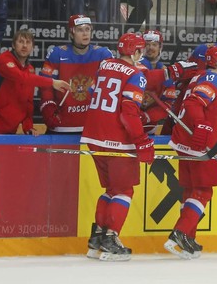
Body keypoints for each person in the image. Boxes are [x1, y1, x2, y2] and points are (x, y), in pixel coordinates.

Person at [81, 32, 153, 262]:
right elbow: (129, 112)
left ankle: (97, 237)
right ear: (137, 52)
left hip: (93, 137)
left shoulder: (104, 66)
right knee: (124, 191)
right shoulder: (136, 74)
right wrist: (141, 141)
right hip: (118, 139)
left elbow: (93, 93)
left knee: (111, 190)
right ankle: (111, 239)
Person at [164, 45, 217, 259]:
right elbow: (195, 103)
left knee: (190, 190)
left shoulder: (199, 76)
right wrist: (203, 125)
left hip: (183, 142)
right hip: (198, 144)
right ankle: (180, 233)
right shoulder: (213, 78)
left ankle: (188, 238)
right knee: (203, 191)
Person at [39, 14, 113, 134]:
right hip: (61, 126)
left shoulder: (103, 54)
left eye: (87, 29)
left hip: (92, 127)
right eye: (80, 30)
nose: (85, 34)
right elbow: (45, 85)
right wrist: (48, 107)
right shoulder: (57, 53)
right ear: (71, 33)